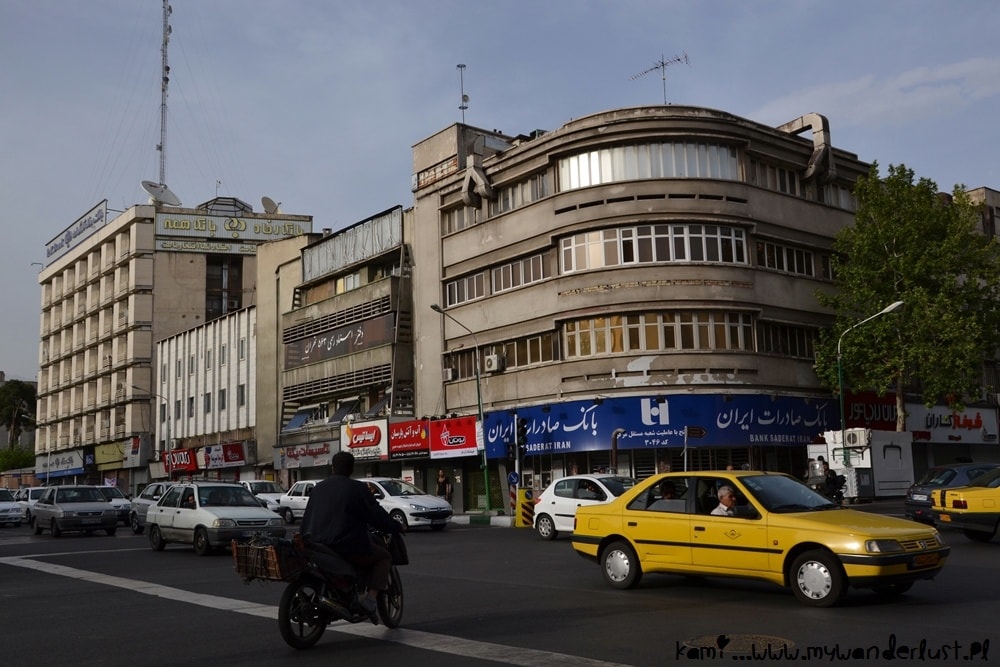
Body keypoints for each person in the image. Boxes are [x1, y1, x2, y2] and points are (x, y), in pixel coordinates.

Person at [299, 451, 403, 620]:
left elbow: (308, 518)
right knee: (384, 557)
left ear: (332, 468)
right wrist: (395, 526)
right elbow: (376, 515)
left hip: (316, 544)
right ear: (351, 469)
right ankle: (370, 601)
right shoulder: (358, 488)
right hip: (346, 546)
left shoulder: (318, 488)